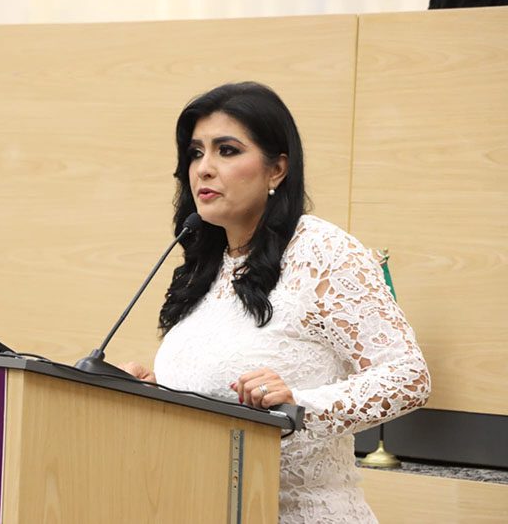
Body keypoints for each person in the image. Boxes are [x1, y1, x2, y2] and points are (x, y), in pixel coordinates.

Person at [121, 82, 431, 523]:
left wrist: (297, 406)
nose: (204, 169)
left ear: (277, 170)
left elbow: (409, 377)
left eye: (227, 150)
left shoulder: (322, 252)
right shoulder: (205, 265)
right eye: (195, 153)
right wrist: (151, 391)